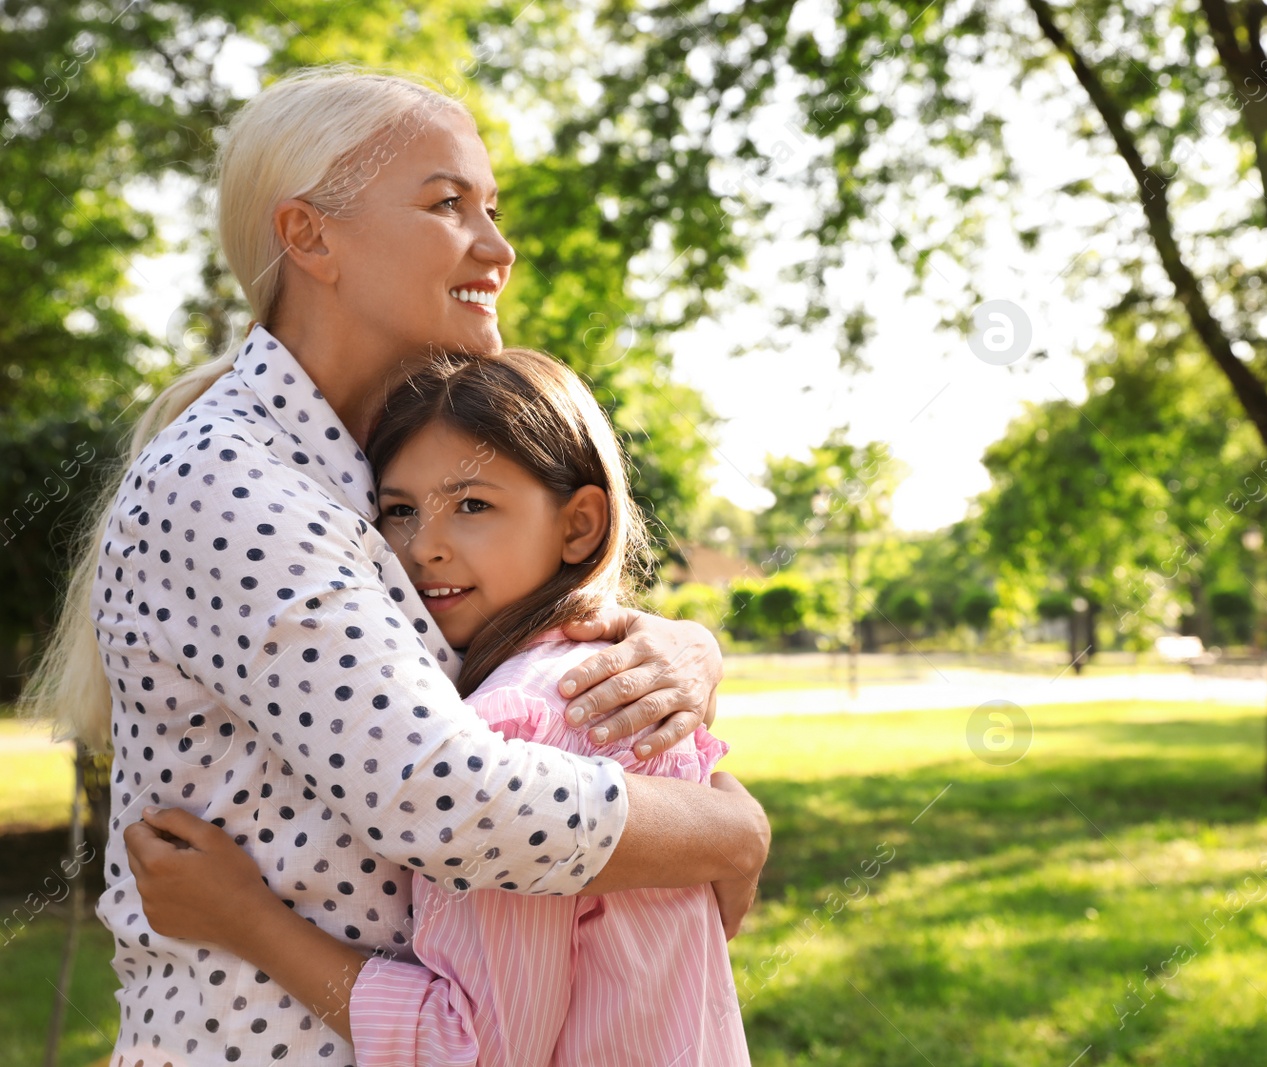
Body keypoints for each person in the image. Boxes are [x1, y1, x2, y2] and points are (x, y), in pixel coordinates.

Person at [20, 68, 767, 1066]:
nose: (496, 249)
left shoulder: (368, 470)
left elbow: (510, 650)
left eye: (491, 209)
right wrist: (733, 831)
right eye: (447, 204)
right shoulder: (234, 484)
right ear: (310, 235)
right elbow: (450, 797)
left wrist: (678, 642)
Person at [130, 348, 750, 1066]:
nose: (424, 546)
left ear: (579, 525)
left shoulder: (526, 723)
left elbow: (476, 1048)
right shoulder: (637, 687)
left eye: (473, 504)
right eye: (400, 510)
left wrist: (245, 920)